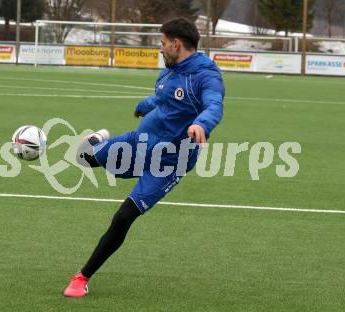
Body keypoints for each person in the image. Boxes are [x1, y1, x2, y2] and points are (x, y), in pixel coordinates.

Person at [63, 17, 225, 298]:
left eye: (162, 44)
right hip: (139, 143)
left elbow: (214, 104)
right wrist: (143, 105)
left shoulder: (206, 75)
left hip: (169, 163)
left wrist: (202, 124)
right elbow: (163, 100)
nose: (160, 49)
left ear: (176, 44)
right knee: (82, 157)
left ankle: (81, 277)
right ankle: (100, 137)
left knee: (123, 217)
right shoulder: (168, 72)